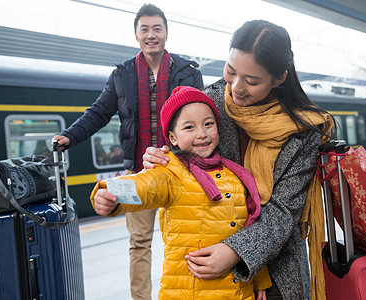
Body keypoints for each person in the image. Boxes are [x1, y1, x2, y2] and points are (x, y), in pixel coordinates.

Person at [143, 20, 335, 300]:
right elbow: (186, 154)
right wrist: (161, 157)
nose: (236, 87)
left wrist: (235, 251)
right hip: (210, 268)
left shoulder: (303, 131)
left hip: (278, 275)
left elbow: (283, 211)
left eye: (252, 81)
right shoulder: (209, 103)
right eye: (231, 71)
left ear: (279, 78)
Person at [52, 4, 203, 299]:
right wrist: (70, 135)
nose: (151, 35)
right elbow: (98, 113)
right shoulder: (122, 75)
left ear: (166, 33)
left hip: (183, 170)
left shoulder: (187, 72)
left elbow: (203, 115)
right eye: (144, 29)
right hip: (140, 170)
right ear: (136, 35)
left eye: (157, 28)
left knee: (189, 238)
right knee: (139, 242)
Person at [91, 86, 272, 299]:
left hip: (239, 292)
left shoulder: (234, 175)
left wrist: (260, 277)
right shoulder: (171, 172)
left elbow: (247, 231)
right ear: (172, 138)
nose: (202, 134)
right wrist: (111, 194)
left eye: (208, 124)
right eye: (189, 127)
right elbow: (146, 184)